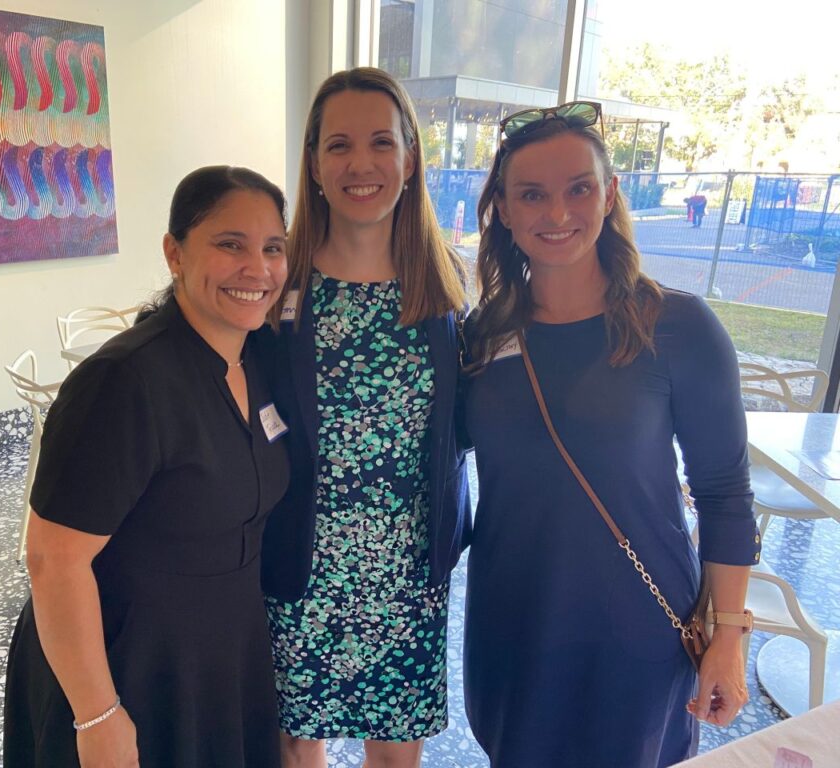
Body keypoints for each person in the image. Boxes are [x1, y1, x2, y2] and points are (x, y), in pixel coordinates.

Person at [461, 102, 759, 768]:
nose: (557, 212)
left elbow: (723, 492)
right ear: (503, 209)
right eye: (531, 194)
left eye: (578, 189)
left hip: (635, 624)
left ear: (610, 193)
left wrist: (729, 636)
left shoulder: (676, 327)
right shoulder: (483, 335)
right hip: (512, 618)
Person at [3, 165, 290, 768]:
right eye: (230, 244)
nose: (257, 268)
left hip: (222, 653)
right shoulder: (123, 381)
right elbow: (54, 560)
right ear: (175, 253)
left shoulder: (256, 361)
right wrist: (97, 715)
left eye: (272, 248)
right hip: (127, 664)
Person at [258, 67, 470, 768]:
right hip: (301, 562)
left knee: (396, 754)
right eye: (339, 145)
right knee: (297, 748)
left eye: (381, 142)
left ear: (410, 159)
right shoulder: (277, 286)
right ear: (314, 164)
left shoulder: (445, 287)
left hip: (409, 569)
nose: (361, 164)